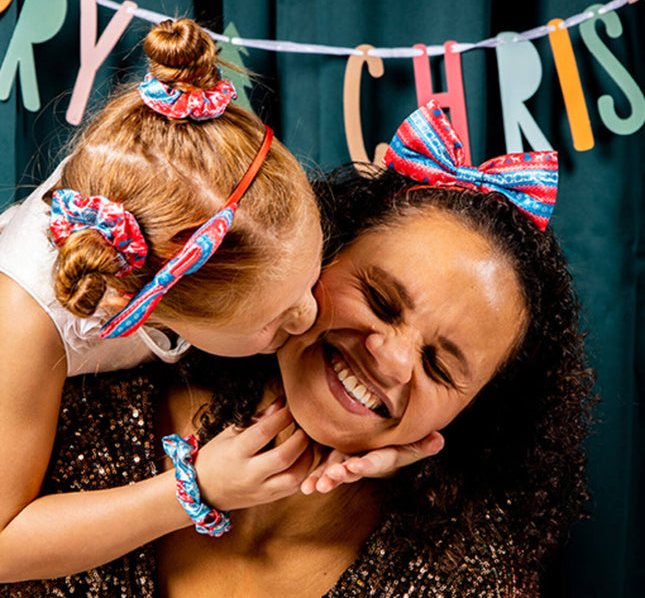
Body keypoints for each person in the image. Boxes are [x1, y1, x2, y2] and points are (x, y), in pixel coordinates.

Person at [0, 101, 596, 596]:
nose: (390, 361)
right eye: (381, 301)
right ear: (327, 247)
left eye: (439, 368)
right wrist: (195, 489)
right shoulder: (57, 352)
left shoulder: (465, 570)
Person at [0, 16, 326, 580]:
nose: (311, 314)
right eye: (275, 321)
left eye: (313, 275)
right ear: (142, 300)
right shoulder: (23, 320)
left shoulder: (180, 186)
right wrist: (195, 489)